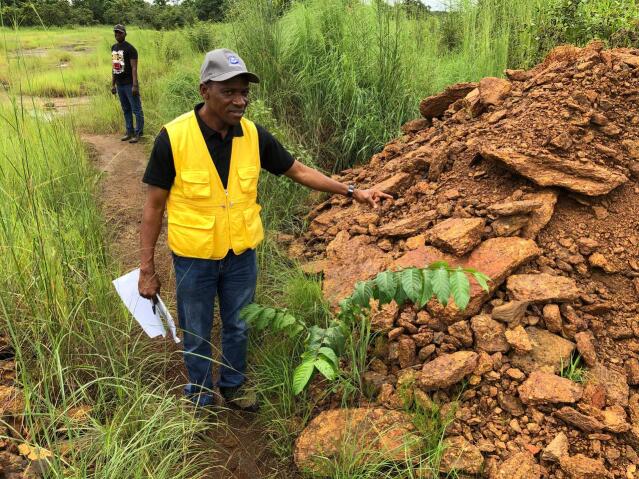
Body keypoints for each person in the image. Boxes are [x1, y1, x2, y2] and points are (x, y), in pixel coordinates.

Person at [138, 49, 391, 410]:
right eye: (229, 92)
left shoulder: (254, 136)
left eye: (244, 93)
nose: (240, 101)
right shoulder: (173, 138)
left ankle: (233, 386)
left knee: (239, 326)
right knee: (195, 331)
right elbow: (153, 207)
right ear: (204, 90)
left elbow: (299, 171)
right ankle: (199, 393)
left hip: (241, 255)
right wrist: (147, 268)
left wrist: (354, 191)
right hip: (194, 257)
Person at [111, 24, 144, 143]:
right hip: (119, 84)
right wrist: (113, 84)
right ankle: (129, 132)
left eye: (120, 32)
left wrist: (135, 85)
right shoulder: (114, 48)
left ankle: (138, 133)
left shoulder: (130, 49)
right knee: (126, 109)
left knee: (136, 109)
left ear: (125, 33)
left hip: (129, 84)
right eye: (116, 32)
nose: (117, 34)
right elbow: (115, 67)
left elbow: (134, 68)